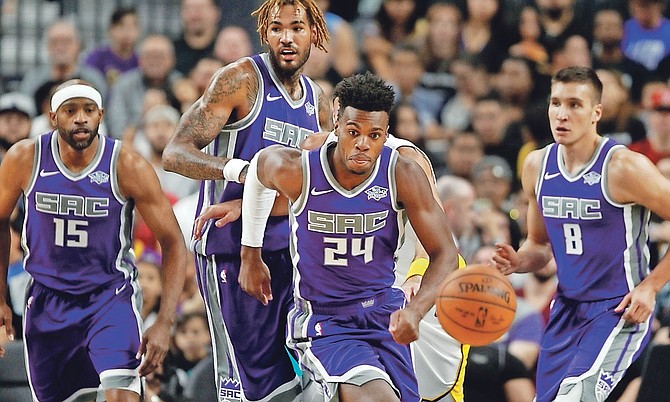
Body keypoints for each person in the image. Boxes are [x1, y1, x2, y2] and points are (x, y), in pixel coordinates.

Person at [239, 72, 460, 402]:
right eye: (353, 132)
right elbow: (258, 171)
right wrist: (250, 254)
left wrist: (415, 312)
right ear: (336, 124)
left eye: (375, 135)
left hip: (385, 313)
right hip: (326, 320)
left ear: (386, 135)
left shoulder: (402, 173)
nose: (363, 144)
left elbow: (445, 253)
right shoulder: (299, 169)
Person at [161, 1, 332, 401]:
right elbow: (175, 153)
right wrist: (240, 173)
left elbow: (313, 186)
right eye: (277, 28)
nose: (286, 37)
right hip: (231, 250)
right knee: (248, 378)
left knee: (314, 371)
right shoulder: (240, 80)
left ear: (314, 34)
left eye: (296, 27)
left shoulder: (318, 101)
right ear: (265, 34)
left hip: (292, 251)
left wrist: (252, 199)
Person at [490, 66, 670, 402]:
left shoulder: (624, 168)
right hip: (567, 310)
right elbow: (539, 247)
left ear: (596, 113)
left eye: (574, 105)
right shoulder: (537, 166)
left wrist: (651, 286)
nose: (562, 114)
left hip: (618, 309)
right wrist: (518, 260)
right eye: (555, 103)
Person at [0, 80, 187, 402]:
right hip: (48, 301)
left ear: (101, 114)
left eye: (88, 110)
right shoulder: (24, 158)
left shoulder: (126, 164)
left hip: (109, 298)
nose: (81, 118)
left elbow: (172, 241)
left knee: (121, 396)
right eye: (70, 111)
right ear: (52, 116)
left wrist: (164, 323)